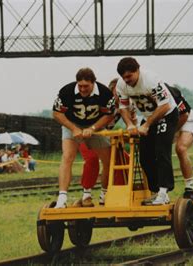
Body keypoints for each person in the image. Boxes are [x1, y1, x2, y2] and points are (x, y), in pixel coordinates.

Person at [116, 57, 179, 205]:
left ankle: (164, 191)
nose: (127, 80)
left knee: (161, 151)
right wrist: (130, 124)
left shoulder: (151, 80)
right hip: (148, 116)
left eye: (129, 76)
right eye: (124, 77)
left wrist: (147, 125)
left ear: (137, 70)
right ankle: (157, 191)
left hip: (166, 115)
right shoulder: (121, 85)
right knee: (145, 156)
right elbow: (123, 107)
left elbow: (165, 106)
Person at [52, 67, 115, 208]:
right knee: (67, 156)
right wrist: (74, 128)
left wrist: (93, 128)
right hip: (72, 124)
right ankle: (62, 197)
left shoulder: (105, 93)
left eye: (86, 86)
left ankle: (104, 193)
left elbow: (109, 114)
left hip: (95, 125)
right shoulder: (67, 91)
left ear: (93, 83)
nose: (82, 89)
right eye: (80, 86)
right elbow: (56, 113)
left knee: (108, 160)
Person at [168, 84, 193, 201]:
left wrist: (172, 133)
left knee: (180, 148)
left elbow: (184, 116)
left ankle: (190, 188)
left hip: (187, 120)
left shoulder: (169, 92)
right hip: (170, 122)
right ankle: (158, 189)